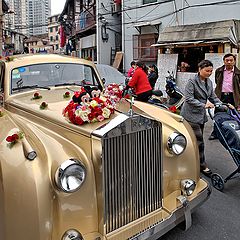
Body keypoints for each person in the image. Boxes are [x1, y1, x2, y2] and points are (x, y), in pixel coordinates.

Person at [180, 60, 222, 176]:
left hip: (201, 116)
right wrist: (204, 105)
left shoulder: (208, 82)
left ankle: (192, 159)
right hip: (190, 115)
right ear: (200, 69)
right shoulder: (192, 81)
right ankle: (202, 165)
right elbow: (188, 98)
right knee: (199, 142)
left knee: (195, 140)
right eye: (207, 71)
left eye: (211, 71)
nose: (209, 73)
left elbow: (213, 96)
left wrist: (222, 104)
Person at [209, 53, 240, 140]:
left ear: (234, 61)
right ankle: (216, 132)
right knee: (218, 115)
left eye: (231, 60)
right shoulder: (219, 71)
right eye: (227, 60)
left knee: (233, 115)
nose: (229, 62)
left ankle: (231, 133)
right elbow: (216, 81)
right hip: (221, 96)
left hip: (233, 97)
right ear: (224, 61)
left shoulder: (238, 73)